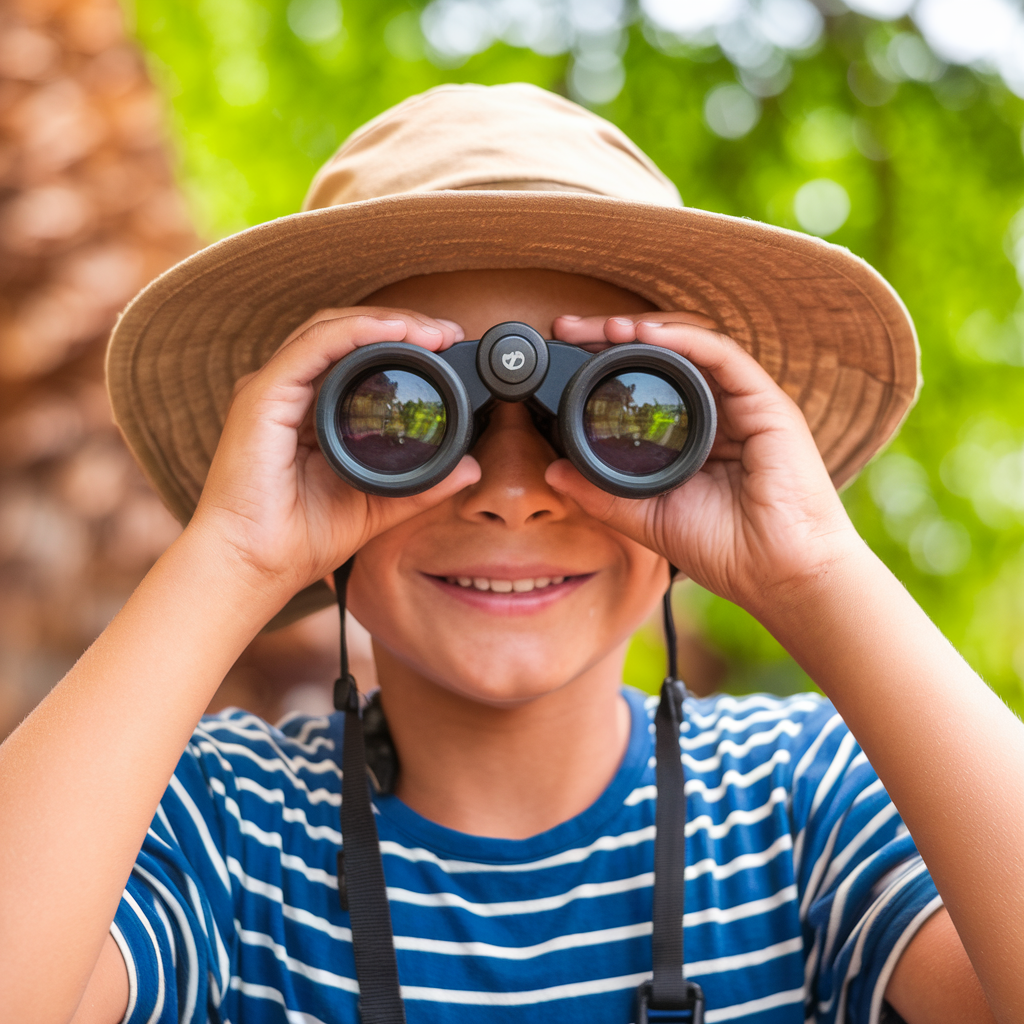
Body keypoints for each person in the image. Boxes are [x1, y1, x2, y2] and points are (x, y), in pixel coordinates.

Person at [0, 83, 1021, 1024]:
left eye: (616, 417)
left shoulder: (798, 803)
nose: (512, 494)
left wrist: (811, 571)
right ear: (309, 448)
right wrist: (230, 555)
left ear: (706, 457)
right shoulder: (227, 826)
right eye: (405, 416)